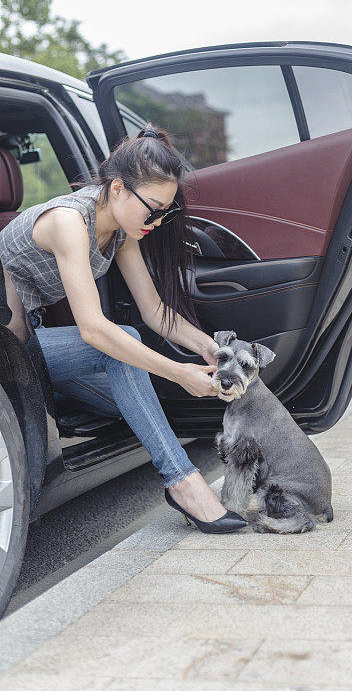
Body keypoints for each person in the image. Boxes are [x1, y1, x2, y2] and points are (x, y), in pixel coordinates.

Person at [0, 123, 247, 534]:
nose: (159, 220)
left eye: (166, 211)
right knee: (124, 345)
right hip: (12, 348)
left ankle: (173, 467)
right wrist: (178, 371)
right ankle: (182, 481)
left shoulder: (120, 232)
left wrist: (208, 347)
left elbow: (154, 309)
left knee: (140, 405)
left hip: (32, 350)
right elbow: (93, 330)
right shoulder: (67, 220)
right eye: (152, 208)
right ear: (117, 188)